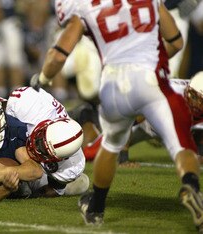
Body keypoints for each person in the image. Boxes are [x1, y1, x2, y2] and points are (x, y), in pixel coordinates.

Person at [30, 0, 203, 231]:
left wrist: (42, 79)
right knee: (181, 144)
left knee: (110, 147)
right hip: (151, 80)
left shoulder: (84, 5)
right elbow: (175, 41)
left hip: (114, 85)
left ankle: (96, 207)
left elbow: (59, 54)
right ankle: (190, 184)